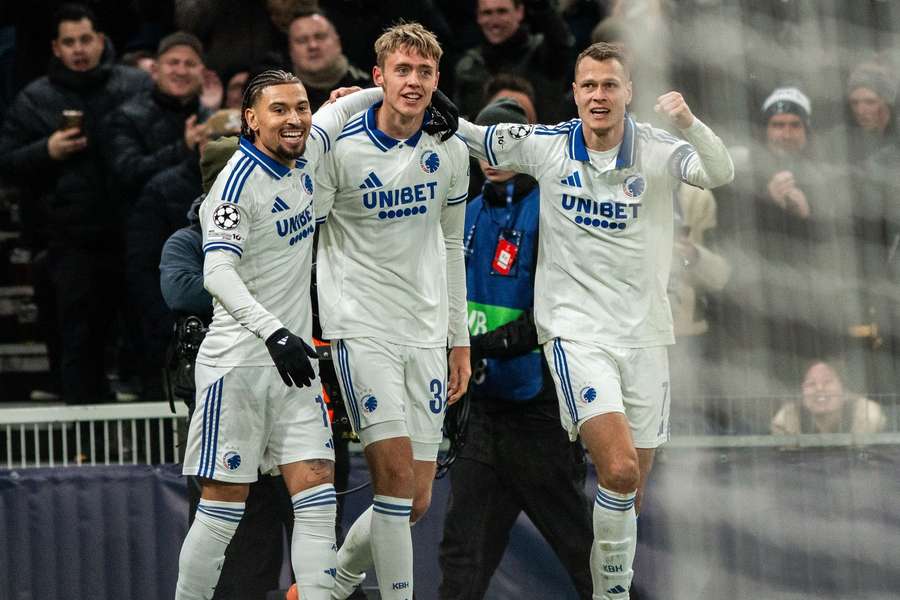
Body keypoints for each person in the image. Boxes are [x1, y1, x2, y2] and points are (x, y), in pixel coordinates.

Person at [454, 41, 734, 599]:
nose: (599, 95)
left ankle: (611, 587)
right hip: (576, 333)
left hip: (648, 337)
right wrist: (395, 99)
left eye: (610, 85)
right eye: (589, 85)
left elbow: (719, 173)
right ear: (574, 93)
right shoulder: (548, 146)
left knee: (630, 494)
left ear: (628, 92)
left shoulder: (656, 149)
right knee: (621, 470)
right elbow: (472, 132)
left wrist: (690, 123)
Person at [173, 69, 380, 600]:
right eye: (280, 110)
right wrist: (274, 333)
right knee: (222, 510)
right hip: (239, 365)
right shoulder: (235, 182)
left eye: (300, 107)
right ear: (251, 119)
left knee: (317, 496)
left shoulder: (308, 147)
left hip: (294, 369)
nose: (294, 119)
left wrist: (379, 96)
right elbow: (217, 273)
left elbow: (351, 106)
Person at [314, 23, 471, 600]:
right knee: (396, 483)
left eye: (424, 72)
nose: (413, 81)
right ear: (378, 77)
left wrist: (460, 339)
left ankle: (328, 586)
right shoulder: (339, 143)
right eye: (402, 70)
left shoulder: (450, 150)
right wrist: (346, 101)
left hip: (428, 331)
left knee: (416, 501)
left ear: (437, 80)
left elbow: (453, 245)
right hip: (360, 328)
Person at [438, 98, 593, 600]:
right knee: (461, 554)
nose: (492, 152)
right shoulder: (465, 214)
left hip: (539, 414)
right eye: (483, 140)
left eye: (504, 140)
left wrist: (472, 347)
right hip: (480, 415)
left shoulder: (554, 212)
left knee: (585, 552)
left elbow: (553, 315)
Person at [0, 3, 149, 405]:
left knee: (143, 342)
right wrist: (46, 150)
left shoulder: (137, 86)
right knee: (80, 348)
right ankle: (85, 453)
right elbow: (6, 161)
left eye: (86, 39)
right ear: (55, 47)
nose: (79, 49)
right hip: (70, 241)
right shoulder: (35, 98)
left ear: (101, 40)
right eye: (69, 42)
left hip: (133, 234)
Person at [454, 0, 574, 123]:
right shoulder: (469, 67)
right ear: (478, 17)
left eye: (502, 11)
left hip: (542, 140)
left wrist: (542, 6)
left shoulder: (543, 54)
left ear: (520, 12)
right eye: (487, 13)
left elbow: (560, 43)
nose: (494, 21)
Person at [771, 360, 886, 435]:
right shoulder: (787, 419)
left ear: (845, 390)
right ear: (802, 393)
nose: (819, 388)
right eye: (811, 383)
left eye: (827, 382)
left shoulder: (866, 413)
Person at [287, 9, 370, 111]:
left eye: (320, 37)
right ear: (290, 50)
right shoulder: (280, 96)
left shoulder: (369, 87)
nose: (313, 46)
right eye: (302, 40)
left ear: (338, 42)